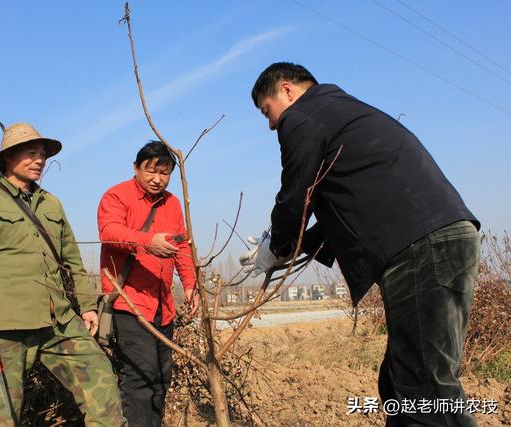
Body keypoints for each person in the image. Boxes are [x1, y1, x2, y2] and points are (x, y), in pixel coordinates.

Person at [240, 62, 480, 426]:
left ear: (286, 90)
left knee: (425, 387)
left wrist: (276, 242)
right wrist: (291, 247)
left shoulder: (302, 116)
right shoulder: (340, 112)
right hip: (438, 239)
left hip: (421, 247)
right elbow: (350, 210)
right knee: (401, 384)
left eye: (266, 111)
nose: (271, 123)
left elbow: (296, 193)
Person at [0, 123, 126, 426]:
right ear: (8, 157)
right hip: (7, 328)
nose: (39, 160)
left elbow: (71, 259)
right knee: (2, 414)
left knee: (102, 381)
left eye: (42, 155)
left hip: (58, 321)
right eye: (31, 153)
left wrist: (85, 305)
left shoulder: (51, 203)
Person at [97, 141, 200, 427]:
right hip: (129, 304)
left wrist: (190, 284)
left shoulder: (173, 203)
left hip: (163, 305)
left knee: (160, 380)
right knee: (140, 379)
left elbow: (183, 247)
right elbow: (109, 232)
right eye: (151, 171)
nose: (158, 179)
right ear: (136, 168)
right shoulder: (116, 196)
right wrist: (148, 242)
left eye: (165, 173)